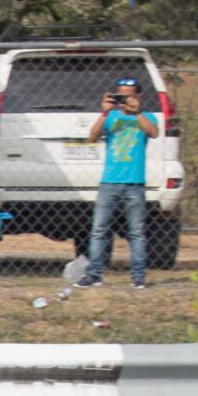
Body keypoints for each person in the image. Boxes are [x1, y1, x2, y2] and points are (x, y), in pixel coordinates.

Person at [79, 76, 160, 288]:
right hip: (110, 181)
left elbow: (154, 132)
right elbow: (92, 137)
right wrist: (105, 111)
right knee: (99, 229)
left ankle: (138, 277)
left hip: (135, 182)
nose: (125, 99)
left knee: (136, 231)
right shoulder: (111, 117)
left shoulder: (146, 117)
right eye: (120, 95)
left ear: (138, 96)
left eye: (129, 95)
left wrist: (137, 112)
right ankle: (94, 274)